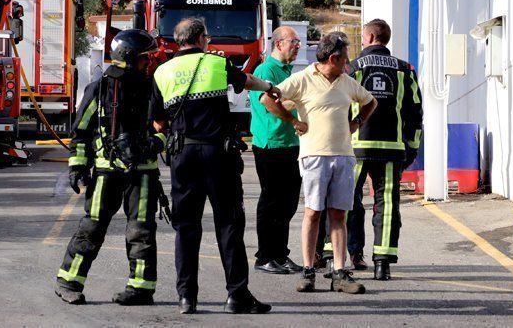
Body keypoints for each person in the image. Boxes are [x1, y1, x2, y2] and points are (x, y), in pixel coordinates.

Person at [151, 17, 279, 315]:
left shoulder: (162, 72)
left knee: (186, 228)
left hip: (183, 156)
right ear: (200, 38)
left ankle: (186, 298)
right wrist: (270, 86)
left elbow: (158, 121)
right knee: (229, 224)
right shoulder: (215, 63)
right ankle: (237, 296)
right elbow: (247, 82)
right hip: (218, 155)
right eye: (207, 37)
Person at [55, 29, 167, 306]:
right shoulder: (101, 89)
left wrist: (155, 143)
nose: (149, 63)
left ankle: (140, 288)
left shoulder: (153, 88)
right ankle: (68, 282)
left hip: (142, 173)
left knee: (141, 230)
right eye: (145, 58)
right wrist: (78, 168)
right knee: (91, 228)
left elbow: (170, 129)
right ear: (129, 58)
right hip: (106, 172)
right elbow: (81, 132)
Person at [262, 31, 377, 294]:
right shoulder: (302, 79)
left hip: (343, 157)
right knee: (313, 213)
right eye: (345, 59)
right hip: (314, 156)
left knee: (339, 214)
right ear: (333, 58)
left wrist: (357, 122)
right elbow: (268, 99)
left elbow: (371, 102)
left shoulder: (347, 82)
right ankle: (308, 271)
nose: (348, 64)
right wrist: (293, 121)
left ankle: (339, 273)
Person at [346, 19, 423, 281]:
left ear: (368, 37)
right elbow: (415, 112)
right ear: (385, 39)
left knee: (343, 198)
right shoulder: (405, 70)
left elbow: (340, 105)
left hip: (355, 146)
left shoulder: (353, 67)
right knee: (387, 204)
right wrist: (412, 146)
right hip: (392, 148)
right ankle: (383, 264)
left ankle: (329, 255)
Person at [249, 26, 304, 275]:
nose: (298, 45)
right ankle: (265, 256)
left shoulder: (287, 70)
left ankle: (280, 254)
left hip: (290, 145)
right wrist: (293, 121)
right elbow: (268, 101)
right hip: (271, 145)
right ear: (279, 43)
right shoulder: (265, 70)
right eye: (294, 41)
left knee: (288, 203)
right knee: (271, 201)